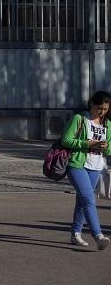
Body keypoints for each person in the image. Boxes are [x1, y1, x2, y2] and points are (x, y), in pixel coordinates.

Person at [62, 91, 111, 250]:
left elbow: (109, 149)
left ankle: (75, 233)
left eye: (105, 109)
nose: (101, 112)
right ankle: (98, 235)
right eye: (99, 108)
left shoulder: (107, 124)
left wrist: (106, 146)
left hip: (96, 166)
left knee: (82, 201)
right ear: (91, 104)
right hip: (77, 164)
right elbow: (66, 140)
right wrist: (88, 144)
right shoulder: (80, 119)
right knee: (89, 199)